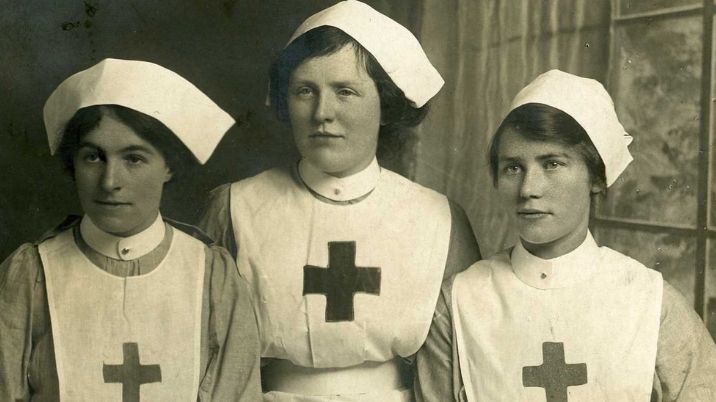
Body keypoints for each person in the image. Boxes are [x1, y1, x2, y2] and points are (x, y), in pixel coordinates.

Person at [199, 1, 481, 401]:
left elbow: (454, 367)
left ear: (386, 105)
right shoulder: (234, 207)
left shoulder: (437, 219)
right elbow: (207, 354)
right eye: (304, 91)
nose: (322, 113)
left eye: (345, 91)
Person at [414, 69, 716, 402]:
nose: (529, 189)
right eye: (513, 167)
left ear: (597, 178)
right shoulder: (457, 302)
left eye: (552, 164)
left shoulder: (651, 303)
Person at [0, 58, 261, 401]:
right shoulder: (32, 274)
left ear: (168, 165)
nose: (110, 182)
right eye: (93, 157)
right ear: (73, 163)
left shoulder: (212, 275)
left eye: (134, 159)